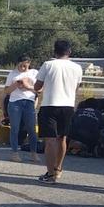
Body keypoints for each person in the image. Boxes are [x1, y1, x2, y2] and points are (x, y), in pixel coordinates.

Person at [32, 39, 84, 183]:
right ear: (69, 51)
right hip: (67, 106)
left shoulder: (48, 65)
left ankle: (49, 173)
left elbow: (37, 86)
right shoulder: (77, 67)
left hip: (49, 105)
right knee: (62, 138)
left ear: (55, 51)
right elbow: (76, 87)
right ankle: (58, 169)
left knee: (50, 140)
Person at [3, 56, 39, 162]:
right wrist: (16, 84)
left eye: (25, 65)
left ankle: (34, 153)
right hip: (15, 102)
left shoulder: (34, 73)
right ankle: (14, 153)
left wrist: (27, 86)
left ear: (29, 63)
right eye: (21, 65)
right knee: (15, 128)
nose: (23, 67)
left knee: (31, 129)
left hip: (29, 102)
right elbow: (6, 91)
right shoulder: (12, 74)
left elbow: (39, 89)